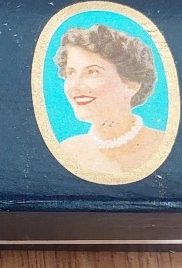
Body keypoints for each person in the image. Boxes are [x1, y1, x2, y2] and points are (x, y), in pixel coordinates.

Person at [54, 24, 163, 175]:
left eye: (93, 72)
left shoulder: (161, 146)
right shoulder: (68, 150)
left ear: (131, 85)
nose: (75, 86)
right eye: (71, 73)